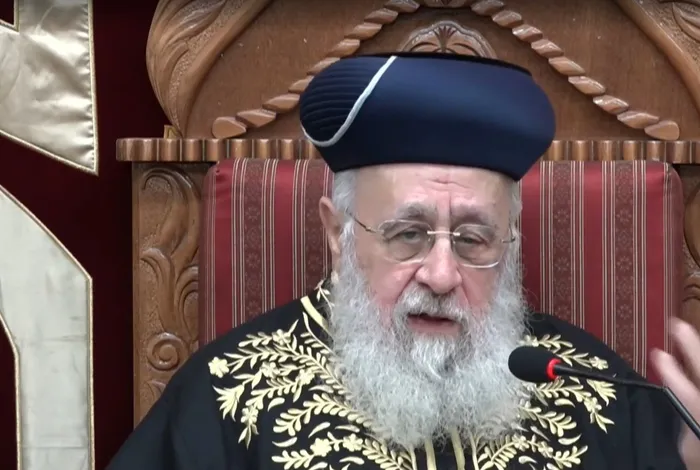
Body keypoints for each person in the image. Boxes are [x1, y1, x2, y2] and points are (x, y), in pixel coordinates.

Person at [108, 52, 697, 469]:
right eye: (408, 235)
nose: (441, 275)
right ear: (337, 234)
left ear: (510, 242)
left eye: (473, 239)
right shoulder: (226, 397)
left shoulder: (594, 390)